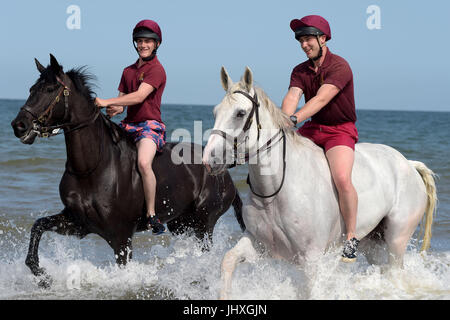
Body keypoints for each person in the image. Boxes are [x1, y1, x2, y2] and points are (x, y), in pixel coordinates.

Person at [281, 15, 360, 262]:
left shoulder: (340, 66)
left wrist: (294, 120)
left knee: (342, 178)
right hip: (313, 128)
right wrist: (282, 120)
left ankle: (350, 236)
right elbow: (293, 96)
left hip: (339, 130)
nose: (304, 45)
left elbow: (322, 99)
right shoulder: (299, 70)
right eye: (301, 41)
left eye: (308, 39)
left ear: (323, 38)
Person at [95, 19, 166, 235]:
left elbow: (139, 96)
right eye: (140, 41)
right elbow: (122, 100)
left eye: (148, 41)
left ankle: (152, 214)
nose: (143, 45)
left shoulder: (157, 69)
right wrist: (112, 109)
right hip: (128, 125)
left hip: (149, 126)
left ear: (156, 44)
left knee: (144, 163)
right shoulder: (127, 71)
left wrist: (106, 101)